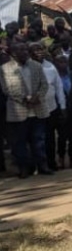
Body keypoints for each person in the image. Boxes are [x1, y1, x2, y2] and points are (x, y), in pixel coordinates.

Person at [0, 42, 53, 178]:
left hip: (37, 109)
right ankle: (24, 168)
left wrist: (38, 97)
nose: (24, 52)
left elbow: (44, 84)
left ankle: (42, 166)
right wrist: (25, 98)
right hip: (18, 111)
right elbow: (7, 89)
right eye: (20, 50)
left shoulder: (36, 66)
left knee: (39, 140)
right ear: (13, 53)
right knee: (20, 142)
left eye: (25, 49)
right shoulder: (5, 69)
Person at [29, 42, 66, 171]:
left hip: (52, 108)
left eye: (40, 49)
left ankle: (51, 163)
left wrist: (63, 106)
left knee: (50, 138)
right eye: (35, 50)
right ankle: (38, 165)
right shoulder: (27, 67)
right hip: (34, 109)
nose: (38, 52)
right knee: (37, 139)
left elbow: (59, 87)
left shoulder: (51, 67)